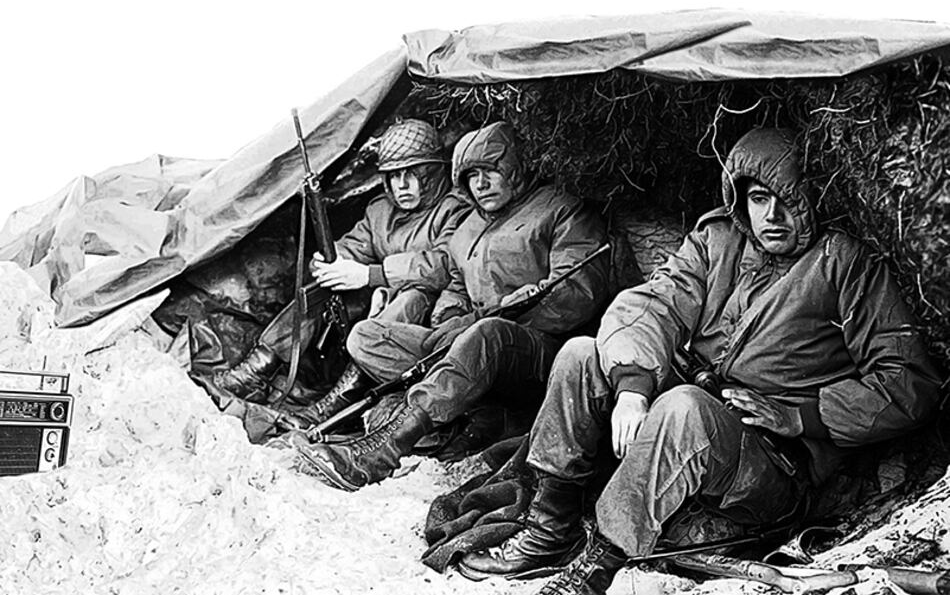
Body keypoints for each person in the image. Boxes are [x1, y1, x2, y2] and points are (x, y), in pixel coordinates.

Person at [459, 128, 943, 594]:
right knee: (581, 355)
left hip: (771, 463)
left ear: (812, 198)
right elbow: (655, 303)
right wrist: (632, 386)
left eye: (788, 201)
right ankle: (551, 527)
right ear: (740, 201)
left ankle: (598, 566)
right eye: (758, 200)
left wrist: (803, 416)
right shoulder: (719, 240)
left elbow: (908, 383)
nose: (773, 216)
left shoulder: (845, 264)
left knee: (684, 407)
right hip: (701, 407)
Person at [294, 121, 611, 491]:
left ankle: (380, 453)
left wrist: (477, 320)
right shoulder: (472, 223)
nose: (481, 183)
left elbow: (574, 295)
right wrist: (449, 318)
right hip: (472, 345)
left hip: (541, 354)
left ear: (517, 165)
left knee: (486, 335)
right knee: (368, 336)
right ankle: (466, 410)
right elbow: (457, 281)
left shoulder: (561, 209)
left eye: (491, 169)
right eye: (472, 174)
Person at [212, 119, 469, 408]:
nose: (402, 185)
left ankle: (336, 402)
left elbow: (444, 265)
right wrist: (330, 261)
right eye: (394, 176)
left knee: (411, 298)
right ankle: (255, 371)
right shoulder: (380, 209)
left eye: (413, 174)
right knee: (317, 294)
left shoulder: (455, 209)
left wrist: (370, 275)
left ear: (433, 172)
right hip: (379, 299)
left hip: (423, 316)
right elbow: (356, 244)